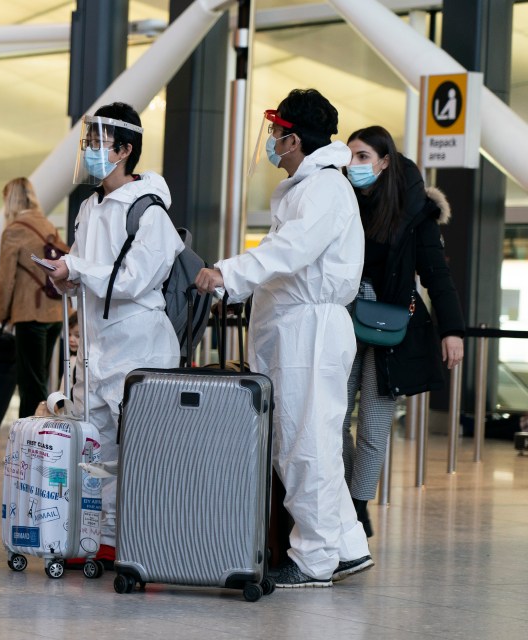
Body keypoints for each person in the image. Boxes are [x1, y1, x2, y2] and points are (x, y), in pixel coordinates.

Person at [195, 89, 372, 588]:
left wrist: (225, 273)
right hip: (298, 329)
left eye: (276, 133)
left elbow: (287, 252)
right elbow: (283, 252)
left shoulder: (322, 190)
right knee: (310, 441)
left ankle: (314, 560)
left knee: (303, 445)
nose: (271, 142)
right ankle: (345, 544)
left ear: (293, 140)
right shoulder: (308, 187)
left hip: (308, 333)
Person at [42, 101, 184, 564]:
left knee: (138, 453)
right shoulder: (89, 207)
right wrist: (65, 277)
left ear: (124, 150)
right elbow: (88, 273)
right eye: (88, 140)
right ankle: (100, 539)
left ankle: (141, 542)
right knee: (94, 443)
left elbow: (132, 282)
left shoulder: (150, 213)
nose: (90, 150)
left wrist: (78, 267)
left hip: (140, 345)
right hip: (100, 348)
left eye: (99, 141)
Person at [342, 125, 465, 537]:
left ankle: (358, 508)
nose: (353, 164)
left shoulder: (414, 209)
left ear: (384, 161)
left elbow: (436, 272)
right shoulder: (341, 201)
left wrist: (452, 330)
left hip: (391, 329)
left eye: (362, 156)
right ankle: (340, 498)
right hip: (343, 322)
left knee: (375, 425)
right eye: (350, 155)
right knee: (333, 416)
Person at [0, 178, 68, 418]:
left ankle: (29, 439)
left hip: (29, 313)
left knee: (31, 384)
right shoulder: (47, 225)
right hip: (55, 312)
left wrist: (2, 313)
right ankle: (39, 436)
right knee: (41, 378)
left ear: (11, 200)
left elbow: (6, 280)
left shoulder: (14, 229)